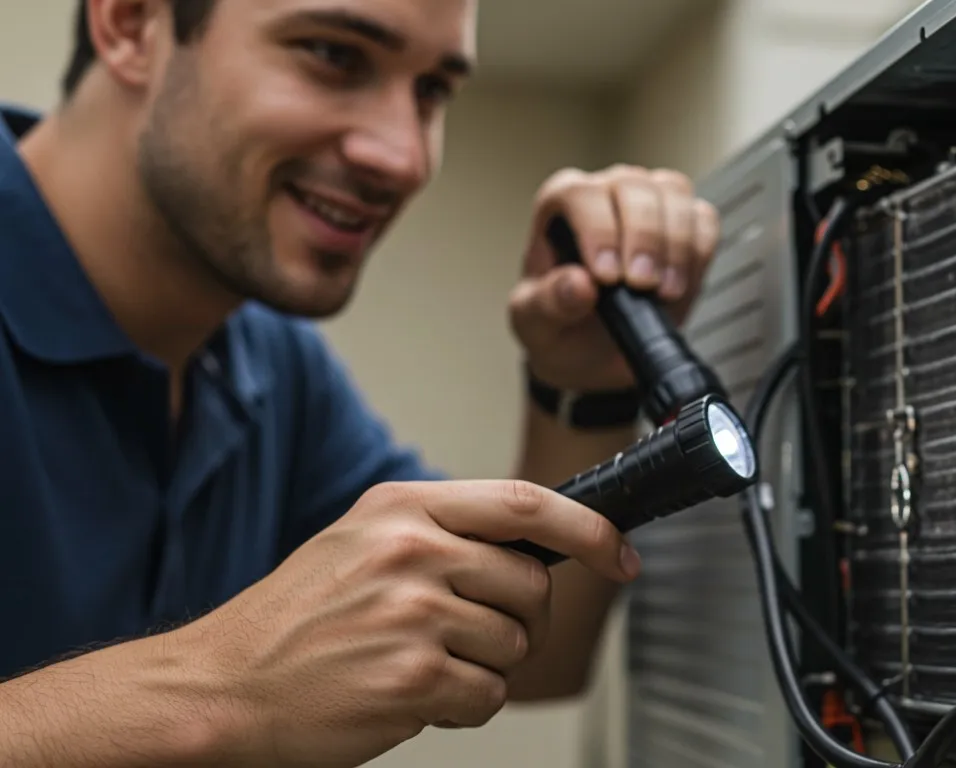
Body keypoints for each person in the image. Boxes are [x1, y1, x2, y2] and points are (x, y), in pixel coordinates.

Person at [0, 0, 720, 765]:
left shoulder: (271, 363)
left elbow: (528, 652)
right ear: (131, 23)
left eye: (433, 92)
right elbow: (237, 682)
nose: (404, 156)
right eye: (333, 55)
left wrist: (581, 386)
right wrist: (223, 687)